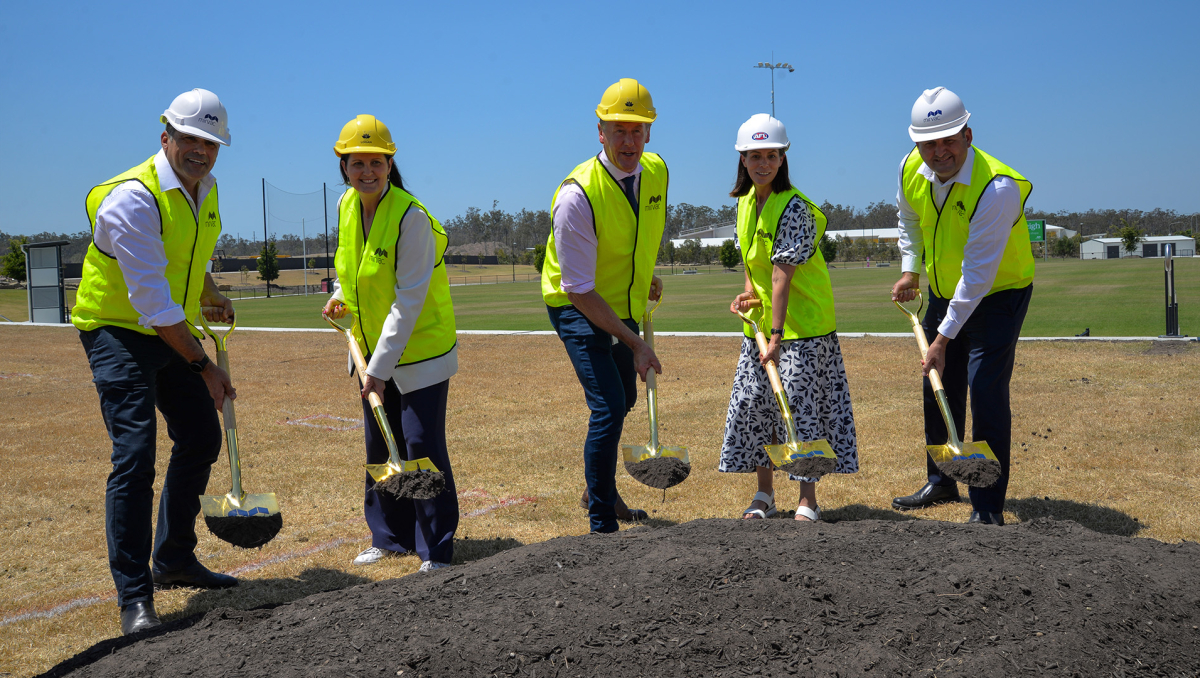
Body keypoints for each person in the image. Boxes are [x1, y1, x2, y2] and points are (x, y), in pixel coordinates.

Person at [73, 89, 239, 635]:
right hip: (119, 331)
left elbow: (190, 255)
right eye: (190, 138)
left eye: (210, 142)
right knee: (135, 455)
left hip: (170, 326)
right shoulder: (133, 200)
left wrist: (209, 287)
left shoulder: (203, 189)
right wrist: (204, 367)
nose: (201, 150)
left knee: (199, 437)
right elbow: (152, 301)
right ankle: (134, 597)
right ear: (164, 135)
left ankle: (173, 558)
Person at [889, 87, 1034, 525]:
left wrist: (942, 337)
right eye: (929, 143)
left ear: (968, 135)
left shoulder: (997, 188)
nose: (940, 151)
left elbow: (978, 277)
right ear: (916, 144)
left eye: (949, 139)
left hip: (997, 294)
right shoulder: (910, 168)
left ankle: (987, 507)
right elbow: (909, 219)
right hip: (944, 291)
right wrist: (911, 270)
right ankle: (941, 479)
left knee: (985, 389)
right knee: (939, 386)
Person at [322, 115, 459, 570]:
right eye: (356, 163)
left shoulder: (411, 217)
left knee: (420, 444)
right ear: (343, 166)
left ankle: (435, 547)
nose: (366, 172)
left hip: (419, 351)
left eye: (375, 162)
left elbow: (408, 300)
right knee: (380, 445)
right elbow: (353, 271)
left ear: (389, 163)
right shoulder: (346, 205)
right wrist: (341, 298)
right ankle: (389, 536)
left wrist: (378, 371)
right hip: (369, 351)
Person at [541, 78, 667, 534]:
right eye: (618, 130)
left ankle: (600, 488)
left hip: (621, 299)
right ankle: (601, 523)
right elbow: (579, 289)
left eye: (638, 130)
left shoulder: (657, 172)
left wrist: (644, 273)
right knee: (610, 406)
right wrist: (634, 343)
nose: (629, 140)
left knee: (627, 396)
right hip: (577, 305)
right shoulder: (577, 195)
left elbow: (639, 232)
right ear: (600, 132)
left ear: (649, 132)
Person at [721, 114, 859, 522]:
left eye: (772, 155)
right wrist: (748, 293)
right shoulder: (745, 203)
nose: (763, 163)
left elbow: (782, 277)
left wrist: (777, 333)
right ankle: (764, 495)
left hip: (804, 330)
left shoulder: (796, 208)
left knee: (802, 410)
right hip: (764, 328)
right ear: (742, 160)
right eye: (755, 156)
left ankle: (807, 499)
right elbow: (751, 259)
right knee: (757, 406)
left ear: (783, 159)